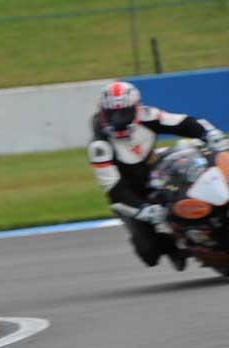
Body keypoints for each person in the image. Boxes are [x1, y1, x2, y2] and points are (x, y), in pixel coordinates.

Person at [87, 80, 228, 270]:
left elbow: (183, 123)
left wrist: (209, 134)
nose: (118, 119)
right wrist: (143, 209)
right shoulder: (100, 147)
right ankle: (177, 247)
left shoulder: (147, 115)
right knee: (149, 253)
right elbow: (114, 189)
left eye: (124, 112)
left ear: (136, 108)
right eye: (112, 114)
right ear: (103, 112)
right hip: (131, 194)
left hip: (156, 170)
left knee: (202, 169)